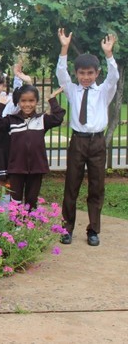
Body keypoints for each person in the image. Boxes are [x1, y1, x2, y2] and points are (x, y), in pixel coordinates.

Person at [56, 28, 119, 246]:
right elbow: (60, 73)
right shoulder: (72, 90)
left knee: (96, 186)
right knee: (71, 185)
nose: (85, 77)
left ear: (97, 73)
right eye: (82, 73)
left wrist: (109, 54)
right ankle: (67, 228)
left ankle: (93, 230)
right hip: (78, 141)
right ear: (77, 74)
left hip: (97, 142)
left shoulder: (103, 92)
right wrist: (64, 48)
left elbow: (114, 77)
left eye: (90, 73)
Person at [0, 85, 66, 210]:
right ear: (19, 102)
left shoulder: (42, 120)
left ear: (36, 101)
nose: (27, 104)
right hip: (16, 168)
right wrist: (0, 105)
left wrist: (52, 99)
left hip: (37, 167)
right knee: (15, 200)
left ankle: (29, 225)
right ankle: (16, 226)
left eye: (31, 101)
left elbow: (58, 118)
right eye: (23, 101)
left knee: (32, 200)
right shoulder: (12, 120)